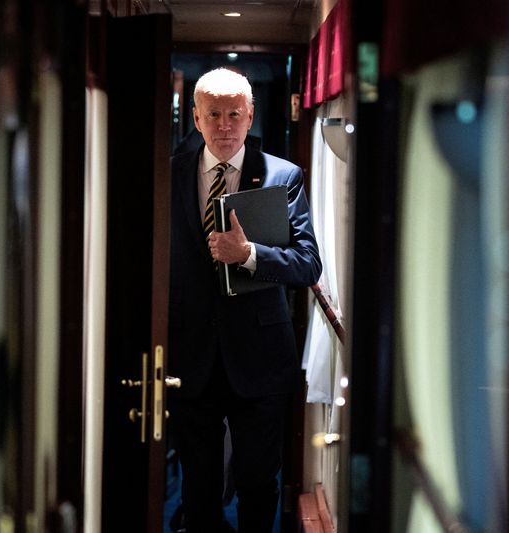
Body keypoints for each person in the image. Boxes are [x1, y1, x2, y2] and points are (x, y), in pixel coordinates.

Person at [168, 68, 322, 533]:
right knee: (199, 486)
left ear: (250, 114)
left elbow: (307, 264)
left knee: (259, 483)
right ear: (196, 117)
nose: (224, 124)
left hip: (259, 357)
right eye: (213, 114)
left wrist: (249, 254)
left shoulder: (283, 175)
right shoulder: (168, 174)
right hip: (189, 355)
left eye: (235, 113)